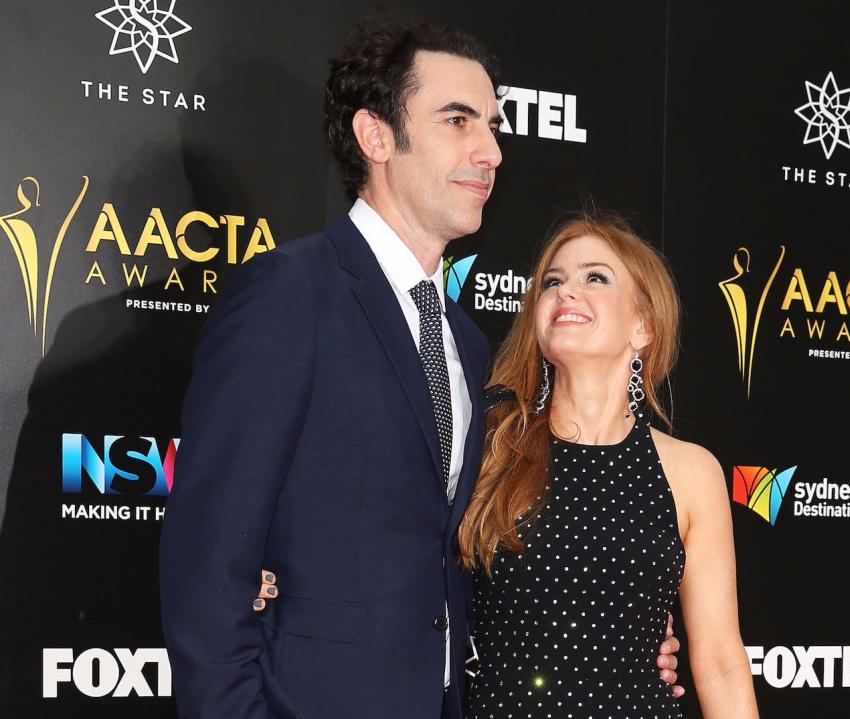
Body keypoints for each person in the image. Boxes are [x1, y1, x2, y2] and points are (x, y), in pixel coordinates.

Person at [159, 19, 680, 719]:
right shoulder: (290, 294)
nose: (490, 150)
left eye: (492, 126)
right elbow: (207, 564)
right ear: (376, 137)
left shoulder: (466, 344)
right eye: (457, 120)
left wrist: (623, 631)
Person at [457, 214, 759, 718]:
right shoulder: (489, 445)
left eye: (594, 277)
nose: (565, 292)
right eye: (552, 282)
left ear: (643, 325)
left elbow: (722, 662)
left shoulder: (691, 472)